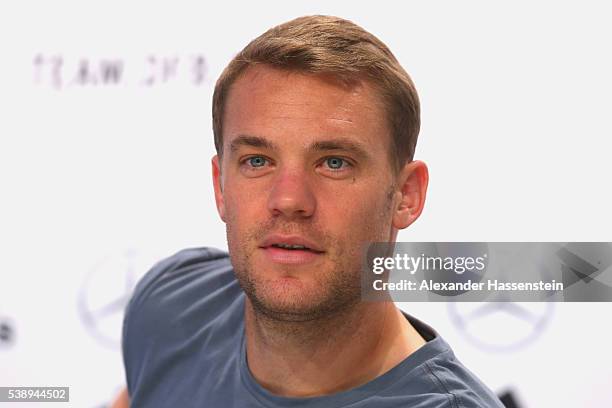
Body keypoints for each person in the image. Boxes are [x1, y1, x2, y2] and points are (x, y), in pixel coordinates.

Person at [119, 15, 504, 407]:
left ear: (406, 195)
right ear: (220, 185)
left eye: (334, 163)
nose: (288, 200)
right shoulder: (173, 307)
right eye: (257, 161)